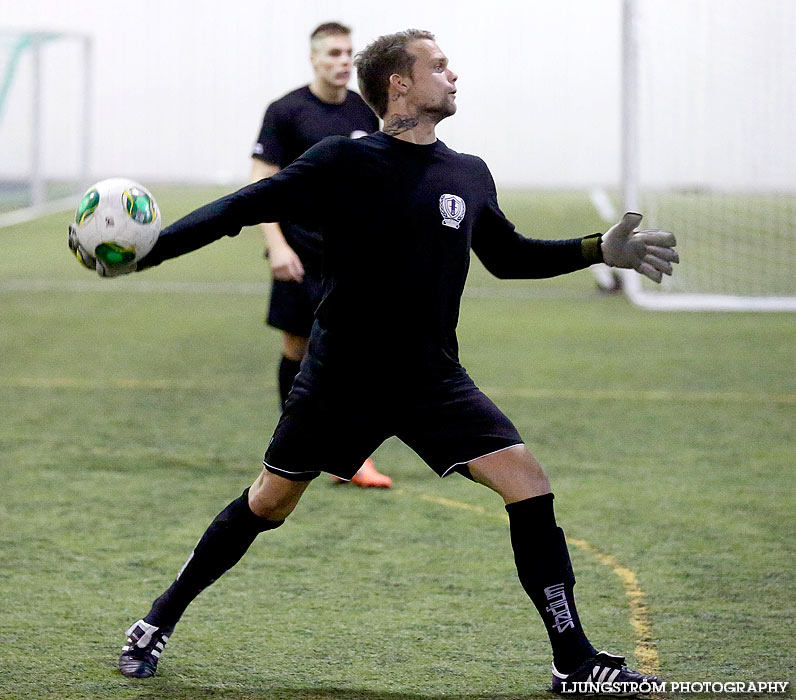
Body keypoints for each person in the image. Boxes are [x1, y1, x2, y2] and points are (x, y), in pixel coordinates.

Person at [70, 29, 678, 694]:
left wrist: (596, 249)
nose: (453, 74)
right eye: (438, 65)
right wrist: (148, 251)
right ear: (400, 83)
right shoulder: (342, 162)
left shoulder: (467, 172)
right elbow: (237, 210)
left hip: (432, 378)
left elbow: (508, 257)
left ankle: (575, 661)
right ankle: (157, 620)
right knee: (269, 502)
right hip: (341, 379)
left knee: (528, 482)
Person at [250, 21, 391, 488]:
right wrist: (276, 246)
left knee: (355, 352)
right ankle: (292, 447)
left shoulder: (364, 110)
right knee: (297, 348)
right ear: (313, 59)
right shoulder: (286, 111)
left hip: (349, 257)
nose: (343, 61)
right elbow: (260, 184)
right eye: (332, 53)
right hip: (298, 253)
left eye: (348, 53)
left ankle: (348, 456)